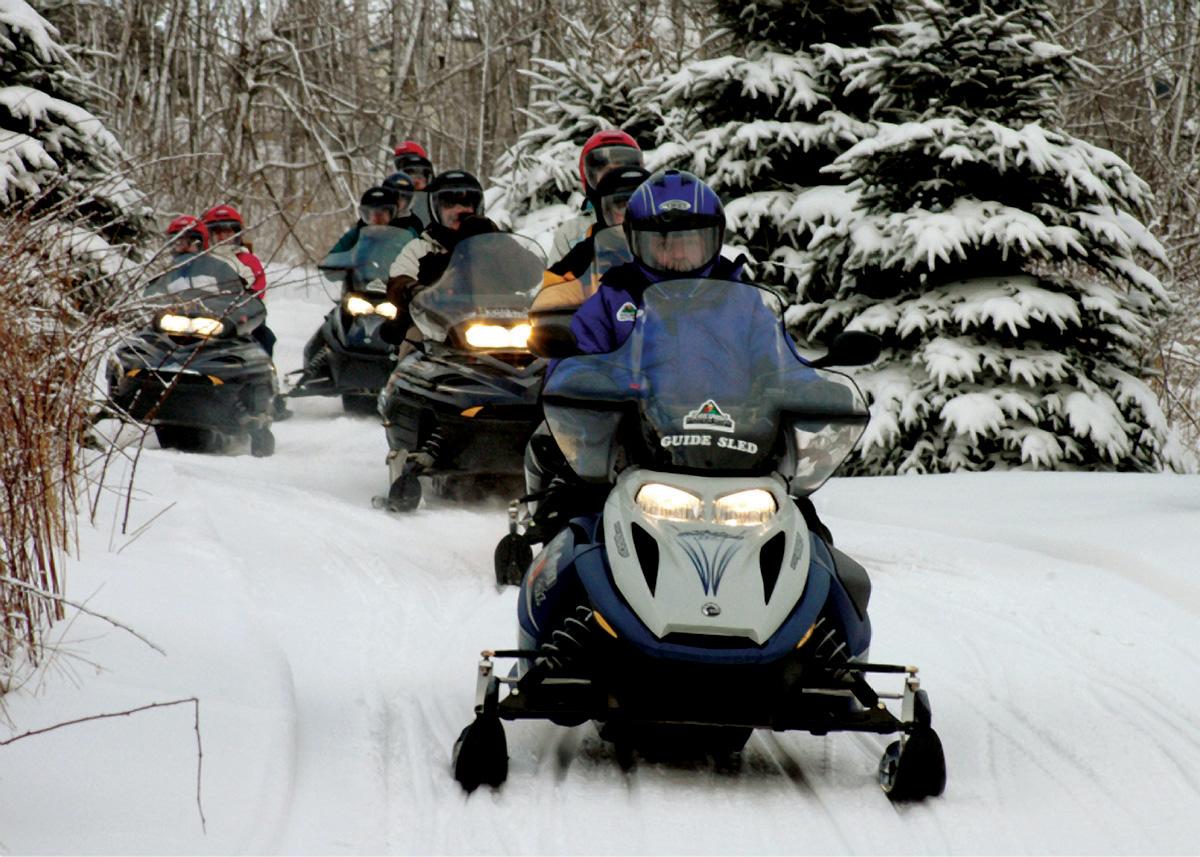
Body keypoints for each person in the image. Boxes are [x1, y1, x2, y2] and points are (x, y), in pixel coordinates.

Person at [527, 169, 833, 543]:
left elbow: (780, 363)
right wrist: (586, 384)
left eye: (690, 240)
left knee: (813, 541)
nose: (676, 253)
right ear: (636, 241)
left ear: (712, 239)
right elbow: (574, 362)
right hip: (634, 444)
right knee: (570, 529)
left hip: (739, 448)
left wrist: (812, 392)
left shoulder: (747, 304)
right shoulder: (612, 300)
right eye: (662, 242)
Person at [201, 203, 291, 418]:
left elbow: (257, 291)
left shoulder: (248, 261)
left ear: (237, 233)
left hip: (239, 319)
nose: (223, 235)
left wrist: (243, 307)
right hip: (201, 316)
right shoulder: (200, 260)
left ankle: (269, 390)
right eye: (218, 230)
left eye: (228, 230)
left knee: (265, 339)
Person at [547, 130, 643, 267]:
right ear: (590, 178)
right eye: (608, 172)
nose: (617, 178)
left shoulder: (653, 221)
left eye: (623, 169)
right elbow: (556, 283)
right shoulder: (573, 233)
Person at [327, 183, 422, 255]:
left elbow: (422, 260)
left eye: (383, 211)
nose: (378, 216)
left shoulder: (406, 233)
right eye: (373, 211)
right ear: (366, 214)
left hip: (398, 281)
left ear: (392, 214)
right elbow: (332, 260)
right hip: (360, 281)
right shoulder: (357, 233)